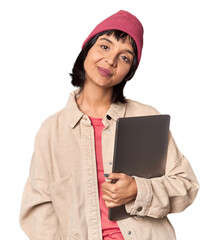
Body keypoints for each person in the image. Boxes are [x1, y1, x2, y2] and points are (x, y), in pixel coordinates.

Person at [19, 10, 199, 240]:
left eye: (125, 57)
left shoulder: (146, 118)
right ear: (87, 49)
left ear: (129, 71)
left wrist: (137, 190)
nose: (111, 60)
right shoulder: (51, 131)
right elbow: (38, 211)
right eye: (104, 46)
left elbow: (187, 185)